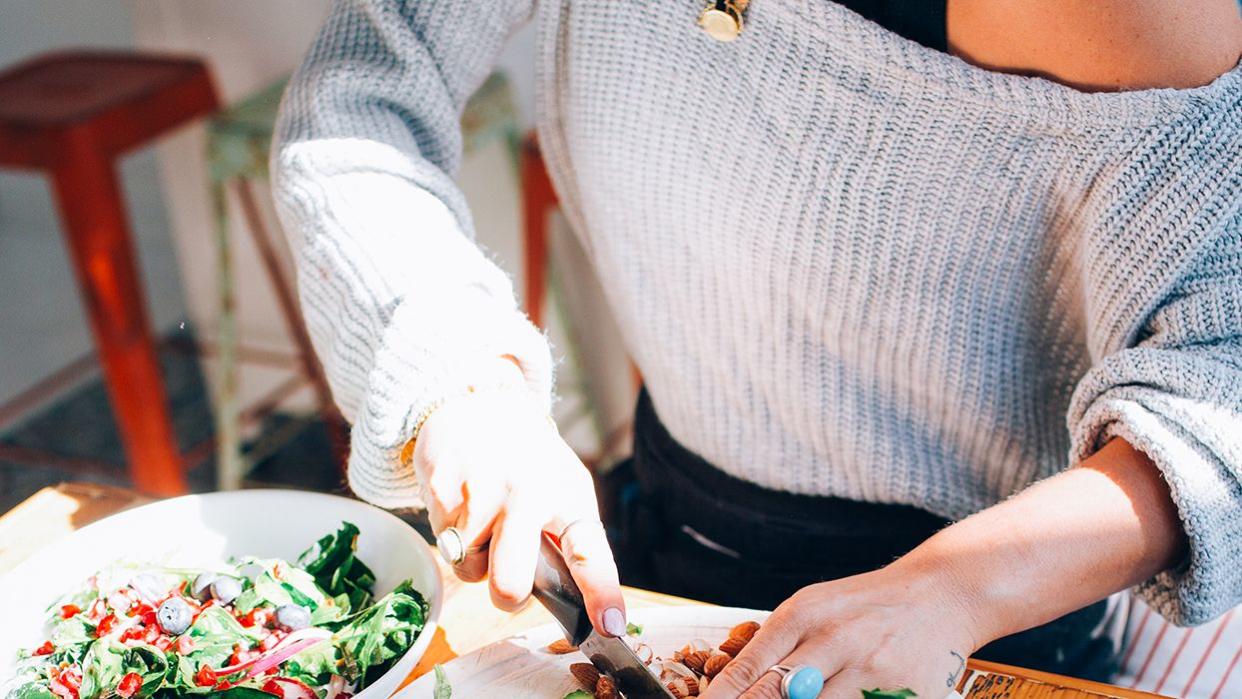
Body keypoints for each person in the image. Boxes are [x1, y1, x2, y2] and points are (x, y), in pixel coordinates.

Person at [272, 1, 1242, 696]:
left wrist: (953, 590)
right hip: (659, 553)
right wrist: (459, 378)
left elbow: (1221, 378)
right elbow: (358, 98)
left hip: (984, 634)